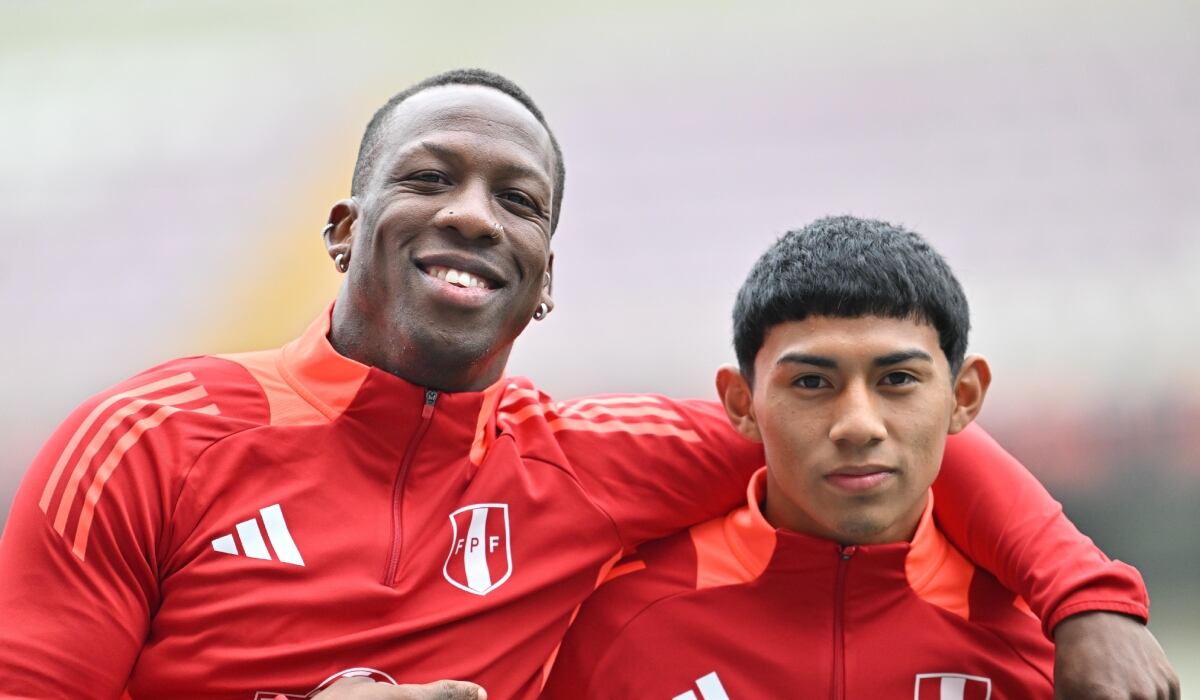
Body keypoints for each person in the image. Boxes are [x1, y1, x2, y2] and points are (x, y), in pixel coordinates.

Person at [0, 70, 1173, 700]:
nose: (472, 212)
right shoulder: (150, 437)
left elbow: (864, 427)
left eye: (517, 201)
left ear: (544, 279)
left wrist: (1090, 605)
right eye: (430, 177)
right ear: (344, 225)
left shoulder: (591, 456)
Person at [542, 217, 1178, 698]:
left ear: (964, 397)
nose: (857, 425)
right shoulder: (620, 623)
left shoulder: (1055, 647)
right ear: (741, 404)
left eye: (898, 379)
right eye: (812, 383)